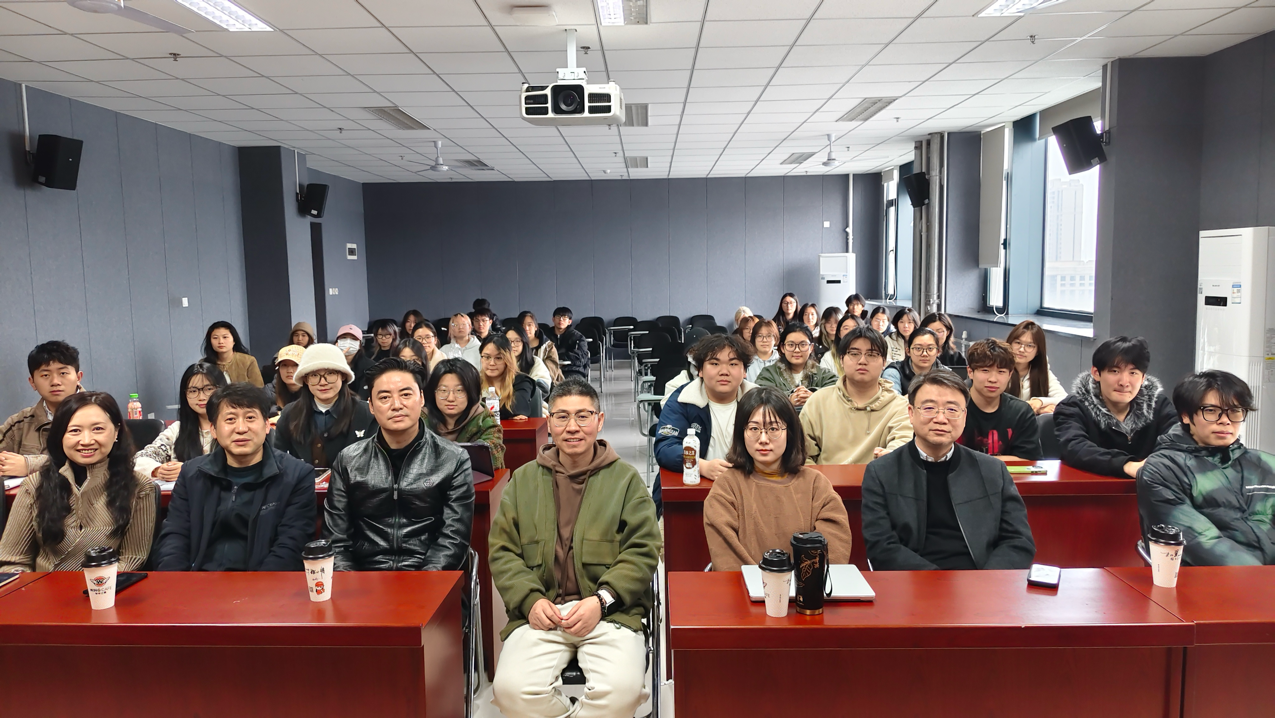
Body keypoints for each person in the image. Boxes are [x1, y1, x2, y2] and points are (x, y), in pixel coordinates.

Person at [489, 378, 660, 718]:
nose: (572, 427)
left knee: (622, 693)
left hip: (609, 613)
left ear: (600, 420)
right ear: (549, 421)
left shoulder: (625, 480)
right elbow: (503, 550)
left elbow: (643, 549)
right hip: (542, 613)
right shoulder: (523, 480)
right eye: (562, 416)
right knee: (511, 691)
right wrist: (530, 600)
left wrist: (602, 600)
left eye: (583, 416)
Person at [861, 371, 1036, 571]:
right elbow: (881, 547)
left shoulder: (993, 470)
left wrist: (985, 581)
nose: (941, 418)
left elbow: (1018, 540)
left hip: (981, 581)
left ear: (964, 416)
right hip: (914, 582)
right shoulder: (881, 472)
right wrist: (937, 581)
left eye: (952, 409)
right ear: (911, 413)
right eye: (929, 408)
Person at [324, 358, 474, 571]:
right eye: (385, 397)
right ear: (371, 406)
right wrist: (353, 585)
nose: (396, 405)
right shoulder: (348, 460)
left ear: (421, 398)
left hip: (429, 576)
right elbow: (336, 542)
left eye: (405, 395)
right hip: (366, 577)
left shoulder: (453, 459)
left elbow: (453, 540)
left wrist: (424, 584)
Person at [154, 383, 316, 571]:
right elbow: (174, 537)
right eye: (230, 419)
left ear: (266, 425)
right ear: (214, 430)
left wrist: (258, 586)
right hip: (198, 582)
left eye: (250, 418)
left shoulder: (296, 476)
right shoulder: (192, 474)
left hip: (264, 583)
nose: (241, 428)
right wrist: (179, 582)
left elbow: (290, 547)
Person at [0, 392, 156, 572]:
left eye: (98, 429)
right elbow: (12, 560)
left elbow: (132, 559)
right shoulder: (34, 485)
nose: (86, 441)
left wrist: (94, 584)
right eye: (74, 431)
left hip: (110, 586)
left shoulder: (140, 487)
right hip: (42, 586)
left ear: (116, 432)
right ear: (60, 435)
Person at [705, 387, 853, 571]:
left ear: (790, 432)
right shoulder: (727, 486)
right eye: (754, 428)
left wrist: (797, 582)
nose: (763, 438)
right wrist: (769, 583)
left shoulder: (815, 483)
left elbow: (834, 545)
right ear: (741, 433)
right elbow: (727, 557)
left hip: (806, 586)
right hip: (744, 586)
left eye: (773, 429)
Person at [1138, 371, 1275, 565]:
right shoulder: (1164, 469)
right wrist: (1263, 579)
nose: (1225, 420)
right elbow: (1200, 542)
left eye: (1235, 411)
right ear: (1186, 416)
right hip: (1209, 579)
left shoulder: (1265, 464)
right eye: (1211, 411)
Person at [1055, 336, 1177, 478]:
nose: (1124, 382)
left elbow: (1179, 441)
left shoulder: (1159, 405)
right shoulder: (1073, 407)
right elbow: (1075, 448)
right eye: (1115, 371)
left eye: (1133, 373)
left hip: (1152, 486)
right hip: (1091, 487)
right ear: (1096, 373)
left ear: (1143, 378)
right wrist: (1126, 465)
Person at [655, 335, 758, 495]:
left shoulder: (759, 400)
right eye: (714, 363)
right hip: (695, 489)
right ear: (700, 370)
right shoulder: (683, 399)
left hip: (749, 488)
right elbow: (665, 447)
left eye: (733, 364)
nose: (724, 372)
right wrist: (701, 466)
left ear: (744, 371)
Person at [801, 326, 912, 465]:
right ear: (841, 360)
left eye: (871, 354)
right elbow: (802, 455)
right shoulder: (818, 401)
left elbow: (901, 443)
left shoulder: (899, 406)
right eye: (854, 354)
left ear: (884, 362)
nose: (862, 361)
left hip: (878, 477)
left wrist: (891, 456)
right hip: (825, 478)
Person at [273, 343, 375, 469]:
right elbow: (279, 459)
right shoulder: (290, 414)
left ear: (343, 375)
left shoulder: (365, 413)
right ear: (305, 380)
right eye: (314, 375)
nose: (323, 382)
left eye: (330, 373)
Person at [0, 340, 83, 478]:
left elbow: (102, 461)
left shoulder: (100, 414)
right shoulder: (19, 423)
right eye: (45, 375)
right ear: (32, 382)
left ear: (78, 377)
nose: (55, 382)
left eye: (63, 373)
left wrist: (31, 465)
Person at [135, 363, 227, 479]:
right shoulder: (177, 429)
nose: (201, 397)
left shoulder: (233, 427)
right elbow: (139, 460)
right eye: (193, 391)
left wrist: (188, 469)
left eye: (208, 389)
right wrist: (158, 470)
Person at [959, 339, 1042, 461]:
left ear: (1010, 375)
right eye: (985, 370)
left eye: (1001, 372)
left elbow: (1029, 461)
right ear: (970, 372)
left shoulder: (1021, 412)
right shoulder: (953, 408)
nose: (993, 379)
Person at [425, 359, 506, 469]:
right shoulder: (420, 420)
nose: (450, 398)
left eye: (459, 391)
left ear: (471, 392)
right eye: (443, 390)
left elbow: (493, 455)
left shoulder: (485, 421)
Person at [756, 323, 837, 411]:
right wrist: (788, 399)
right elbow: (760, 396)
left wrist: (814, 396)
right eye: (791, 345)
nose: (797, 350)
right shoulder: (769, 373)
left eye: (803, 345)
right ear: (782, 348)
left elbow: (838, 391)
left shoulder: (823, 373)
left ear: (811, 347)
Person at [1007, 320, 1067, 415]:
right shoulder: (999, 369)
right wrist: (1036, 410)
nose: (1022, 349)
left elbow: (1065, 399)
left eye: (1029, 346)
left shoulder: (1041, 371)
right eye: (1017, 343)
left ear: (1038, 351)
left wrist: (1040, 402)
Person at [479, 335, 542, 420]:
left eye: (498, 358)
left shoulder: (522, 381)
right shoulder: (475, 382)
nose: (492, 363)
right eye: (487, 357)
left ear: (508, 359)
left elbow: (518, 408)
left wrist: (481, 410)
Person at [882, 327, 953, 396]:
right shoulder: (893, 372)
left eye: (930, 348)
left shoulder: (947, 374)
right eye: (918, 348)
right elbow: (892, 402)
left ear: (938, 352)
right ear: (908, 351)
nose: (924, 354)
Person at [202, 321, 263, 387]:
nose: (220, 341)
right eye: (215, 338)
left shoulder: (248, 361)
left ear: (234, 340)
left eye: (225, 337)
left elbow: (258, 388)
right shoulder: (204, 364)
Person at [505, 325, 553, 396]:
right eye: (508, 341)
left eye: (517, 341)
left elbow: (542, 388)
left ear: (524, 342)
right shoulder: (498, 362)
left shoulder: (535, 362)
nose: (512, 345)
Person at [518, 311, 564, 384]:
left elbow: (551, 372)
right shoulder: (514, 347)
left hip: (547, 384)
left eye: (529, 325)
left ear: (535, 327)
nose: (526, 328)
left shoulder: (548, 347)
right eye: (522, 325)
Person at [549, 306, 591, 380]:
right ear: (553, 319)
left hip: (572, 369)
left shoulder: (578, 337)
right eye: (558, 316)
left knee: (573, 382)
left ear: (569, 321)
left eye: (564, 317)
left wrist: (558, 356)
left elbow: (580, 357)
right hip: (550, 369)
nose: (561, 319)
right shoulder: (545, 336)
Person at [265, 344, 305, 418]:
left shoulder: (315, 390)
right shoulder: (268, 392)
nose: (289, 370)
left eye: (296, 365)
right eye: (284, 365)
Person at [335, 324, 374, 399]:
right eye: (344, 338)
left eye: (353, 339)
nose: (348, 342)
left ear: (359, 344)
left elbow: (363, 396)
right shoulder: (330, 363)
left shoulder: (370, 366)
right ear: (337, 342)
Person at [818, 313, 862, 377]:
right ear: (839, 333)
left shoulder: (871, 355)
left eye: (855, 328)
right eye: (846, 328)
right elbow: (824, 380)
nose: (851, 332)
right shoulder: (829, 357)